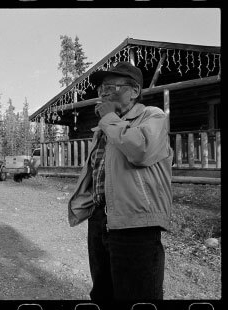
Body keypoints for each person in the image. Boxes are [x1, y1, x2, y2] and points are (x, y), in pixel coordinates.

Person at [67, 61, 173, 300]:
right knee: (102, 293)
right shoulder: (105, 128)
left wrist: (108, 119)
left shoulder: (152, 116)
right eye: (101, 88)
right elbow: (97, 173)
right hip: (101, 219)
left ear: (134, 92)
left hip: (136, 222)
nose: (104, 92)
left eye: (111, 87)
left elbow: (140, 150)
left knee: (137, 295)